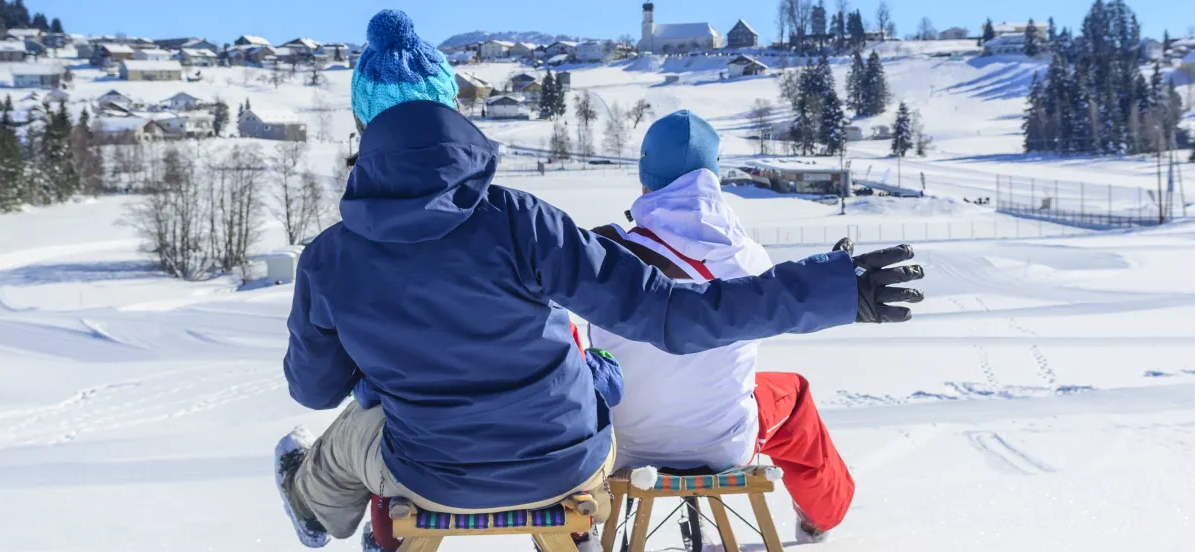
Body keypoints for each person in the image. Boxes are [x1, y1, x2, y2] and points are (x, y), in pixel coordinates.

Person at [274, 9, 926, 552]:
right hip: (567, 466)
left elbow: (313, 386)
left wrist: (377, 367)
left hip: (433, 474)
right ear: (451, 113)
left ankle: (319, 509)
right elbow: (671, 315)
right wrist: (834, 286)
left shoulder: (331, 259)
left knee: (348, 436)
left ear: (362, 126)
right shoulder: (525, 223)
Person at [587, 111, 860, 544]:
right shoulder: (748, 255)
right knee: (793, 394)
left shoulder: (607, 255)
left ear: (645, 177)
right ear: (714, 176)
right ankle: (820, 517)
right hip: (723, 446)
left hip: (624, 446)